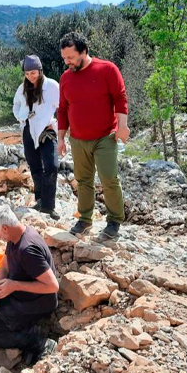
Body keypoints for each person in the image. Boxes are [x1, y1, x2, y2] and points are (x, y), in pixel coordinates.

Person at [57, 32, 129, 239]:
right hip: (78, 139)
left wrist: (122, 126)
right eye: (64, 58)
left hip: (104, 137)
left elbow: (120, 98)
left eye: (70, 57)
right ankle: (85, 219)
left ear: (84, 51)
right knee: (83, 180)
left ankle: (114, 220)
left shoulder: (107, 69)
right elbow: (63, 109)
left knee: (108, 178)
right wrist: (61, 138)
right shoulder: (66, 78)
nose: (67, 62)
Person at [0, 205, 58, 365]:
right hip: (17, 292)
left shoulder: (28, 250)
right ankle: (10, 321)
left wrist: (14, 285)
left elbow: (52, 286)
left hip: (35, 302)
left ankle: (38, 341)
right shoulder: (14, 236)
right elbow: (4, 267)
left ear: (4, 228)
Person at [13, 55, 60, 220]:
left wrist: (57, 125)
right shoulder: (22, 88)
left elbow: (63, 107)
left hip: (47, 131)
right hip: (28, 130)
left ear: (40, 70)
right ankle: (40, 200)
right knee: (34, 166)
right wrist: (21, 118)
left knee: (52, 166)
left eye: (33, 73)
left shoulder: (52, 86)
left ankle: (49, 206)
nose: (30, 77)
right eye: (27, 74)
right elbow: (16, 105)